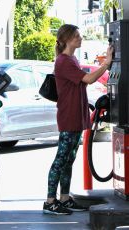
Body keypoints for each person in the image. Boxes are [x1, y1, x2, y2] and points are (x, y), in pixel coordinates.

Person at [43, 24, 113, 215]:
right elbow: (88, 79)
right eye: (77, 36)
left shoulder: (72, 59)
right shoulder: (64, 61)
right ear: (67, 39)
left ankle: (64, 198)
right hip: (68, 116)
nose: (80, 39)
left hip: (76, 115)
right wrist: (106, 64)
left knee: (69, 159)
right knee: (61, 158)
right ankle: (50, 201)